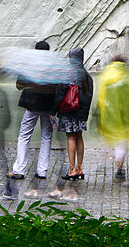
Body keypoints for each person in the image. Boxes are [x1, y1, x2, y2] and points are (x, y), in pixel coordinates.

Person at [6, 40, 55, 182]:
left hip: (32, 105)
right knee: (46, 136)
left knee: (24, 136)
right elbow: (57, 88)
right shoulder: (53, 66)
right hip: (48, 106)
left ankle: (19, 170)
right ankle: (42, 171)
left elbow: (19, 85)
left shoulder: (28, 65)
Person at [95, 56, 129, 182]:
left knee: (116, 142)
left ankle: (118, 165)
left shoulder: (107, 75)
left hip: (110, 115)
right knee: (122, 142)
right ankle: (120, 167)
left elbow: (101, 95)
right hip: (127, 115)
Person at [52, 48, 93, 184]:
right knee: (79, 136)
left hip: (69, 110)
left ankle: (72, 169)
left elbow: (59, 94)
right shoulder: (87, 75)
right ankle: (80, 168)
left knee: (70, 137)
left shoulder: (67, 73)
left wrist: (53, 111)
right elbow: (89, 96)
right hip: (81, 111)